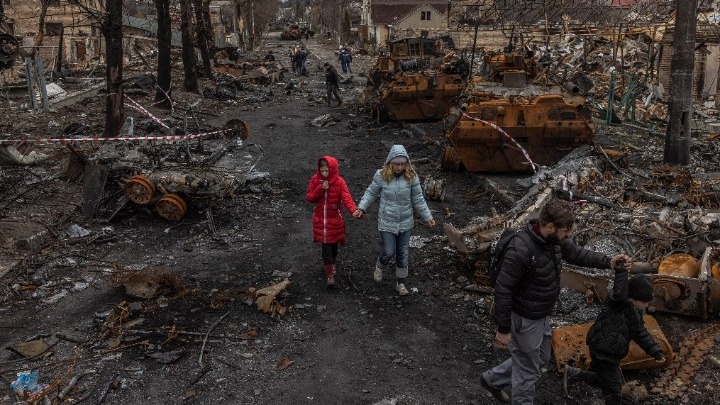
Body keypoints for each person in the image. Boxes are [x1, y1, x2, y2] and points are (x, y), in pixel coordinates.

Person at [480, 198, 632, 405]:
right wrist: (503, 329)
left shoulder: (553, 241)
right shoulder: (521, 249)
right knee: (527, 373)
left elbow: (577, 254)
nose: (569, 235)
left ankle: (492, 380)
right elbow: (503, 289)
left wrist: (609, 262)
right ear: (549, 226)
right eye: (565, 230)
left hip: (540, 315)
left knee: (540, 358)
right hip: (524, 319)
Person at [563, 271, 665, 404]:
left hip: (611, 351)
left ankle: (573, 373)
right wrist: (621, 269)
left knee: (605, 380)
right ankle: (576, 375)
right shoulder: (617, 302)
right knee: (614, 389)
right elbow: (619, 289)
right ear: (632, 297)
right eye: (644, 302)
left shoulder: (635, 310)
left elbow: (639, 332)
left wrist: (655, 350)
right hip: (603, 351)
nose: (646, 305)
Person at [352, 145, 435, 296]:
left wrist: (428, 217)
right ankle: (380, 264)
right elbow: (371, 193)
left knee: (402, 253)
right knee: (389, 251)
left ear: (406, 164)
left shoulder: (411, 176)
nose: (399, 167)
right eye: (396, 164)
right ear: (390, 162)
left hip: (405, 222)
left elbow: (418, 199)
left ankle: (401, 283)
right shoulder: (382, 175)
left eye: (402, 164)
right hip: (387, 221)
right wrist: (361, 208)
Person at [306, 156, 358, 288]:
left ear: (333, 170)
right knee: (326, 247)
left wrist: (354, 211)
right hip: (321, 222)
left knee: (334, 246)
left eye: (327, 171)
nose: (324, 173)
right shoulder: (314, 180)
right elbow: (310, 198)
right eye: (322, 170)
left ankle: (332, 264)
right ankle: (329, 273)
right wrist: (320, 188)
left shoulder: (340, 182)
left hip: (335, 221)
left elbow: (347, 198)